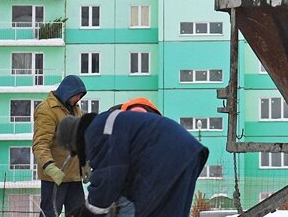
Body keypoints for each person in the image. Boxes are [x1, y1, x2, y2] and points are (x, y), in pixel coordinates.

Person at [55, 103, 209, 217]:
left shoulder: (97, 131)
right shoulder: (106, 123)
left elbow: (108, 178)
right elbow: (120, 174)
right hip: (186, 153)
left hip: (166, 159)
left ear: (74, 142)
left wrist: (88, 212)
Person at [33, 75, 87, 217]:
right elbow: (40, 143)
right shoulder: (47, 110)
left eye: (80, 96)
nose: (78, 100)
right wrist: (50, 167)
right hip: (54, 177)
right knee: (50, 214)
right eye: (76, 96)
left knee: (79, 213)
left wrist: (85, 164)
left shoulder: (75, 110)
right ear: (67, 92)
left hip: (74, 176)